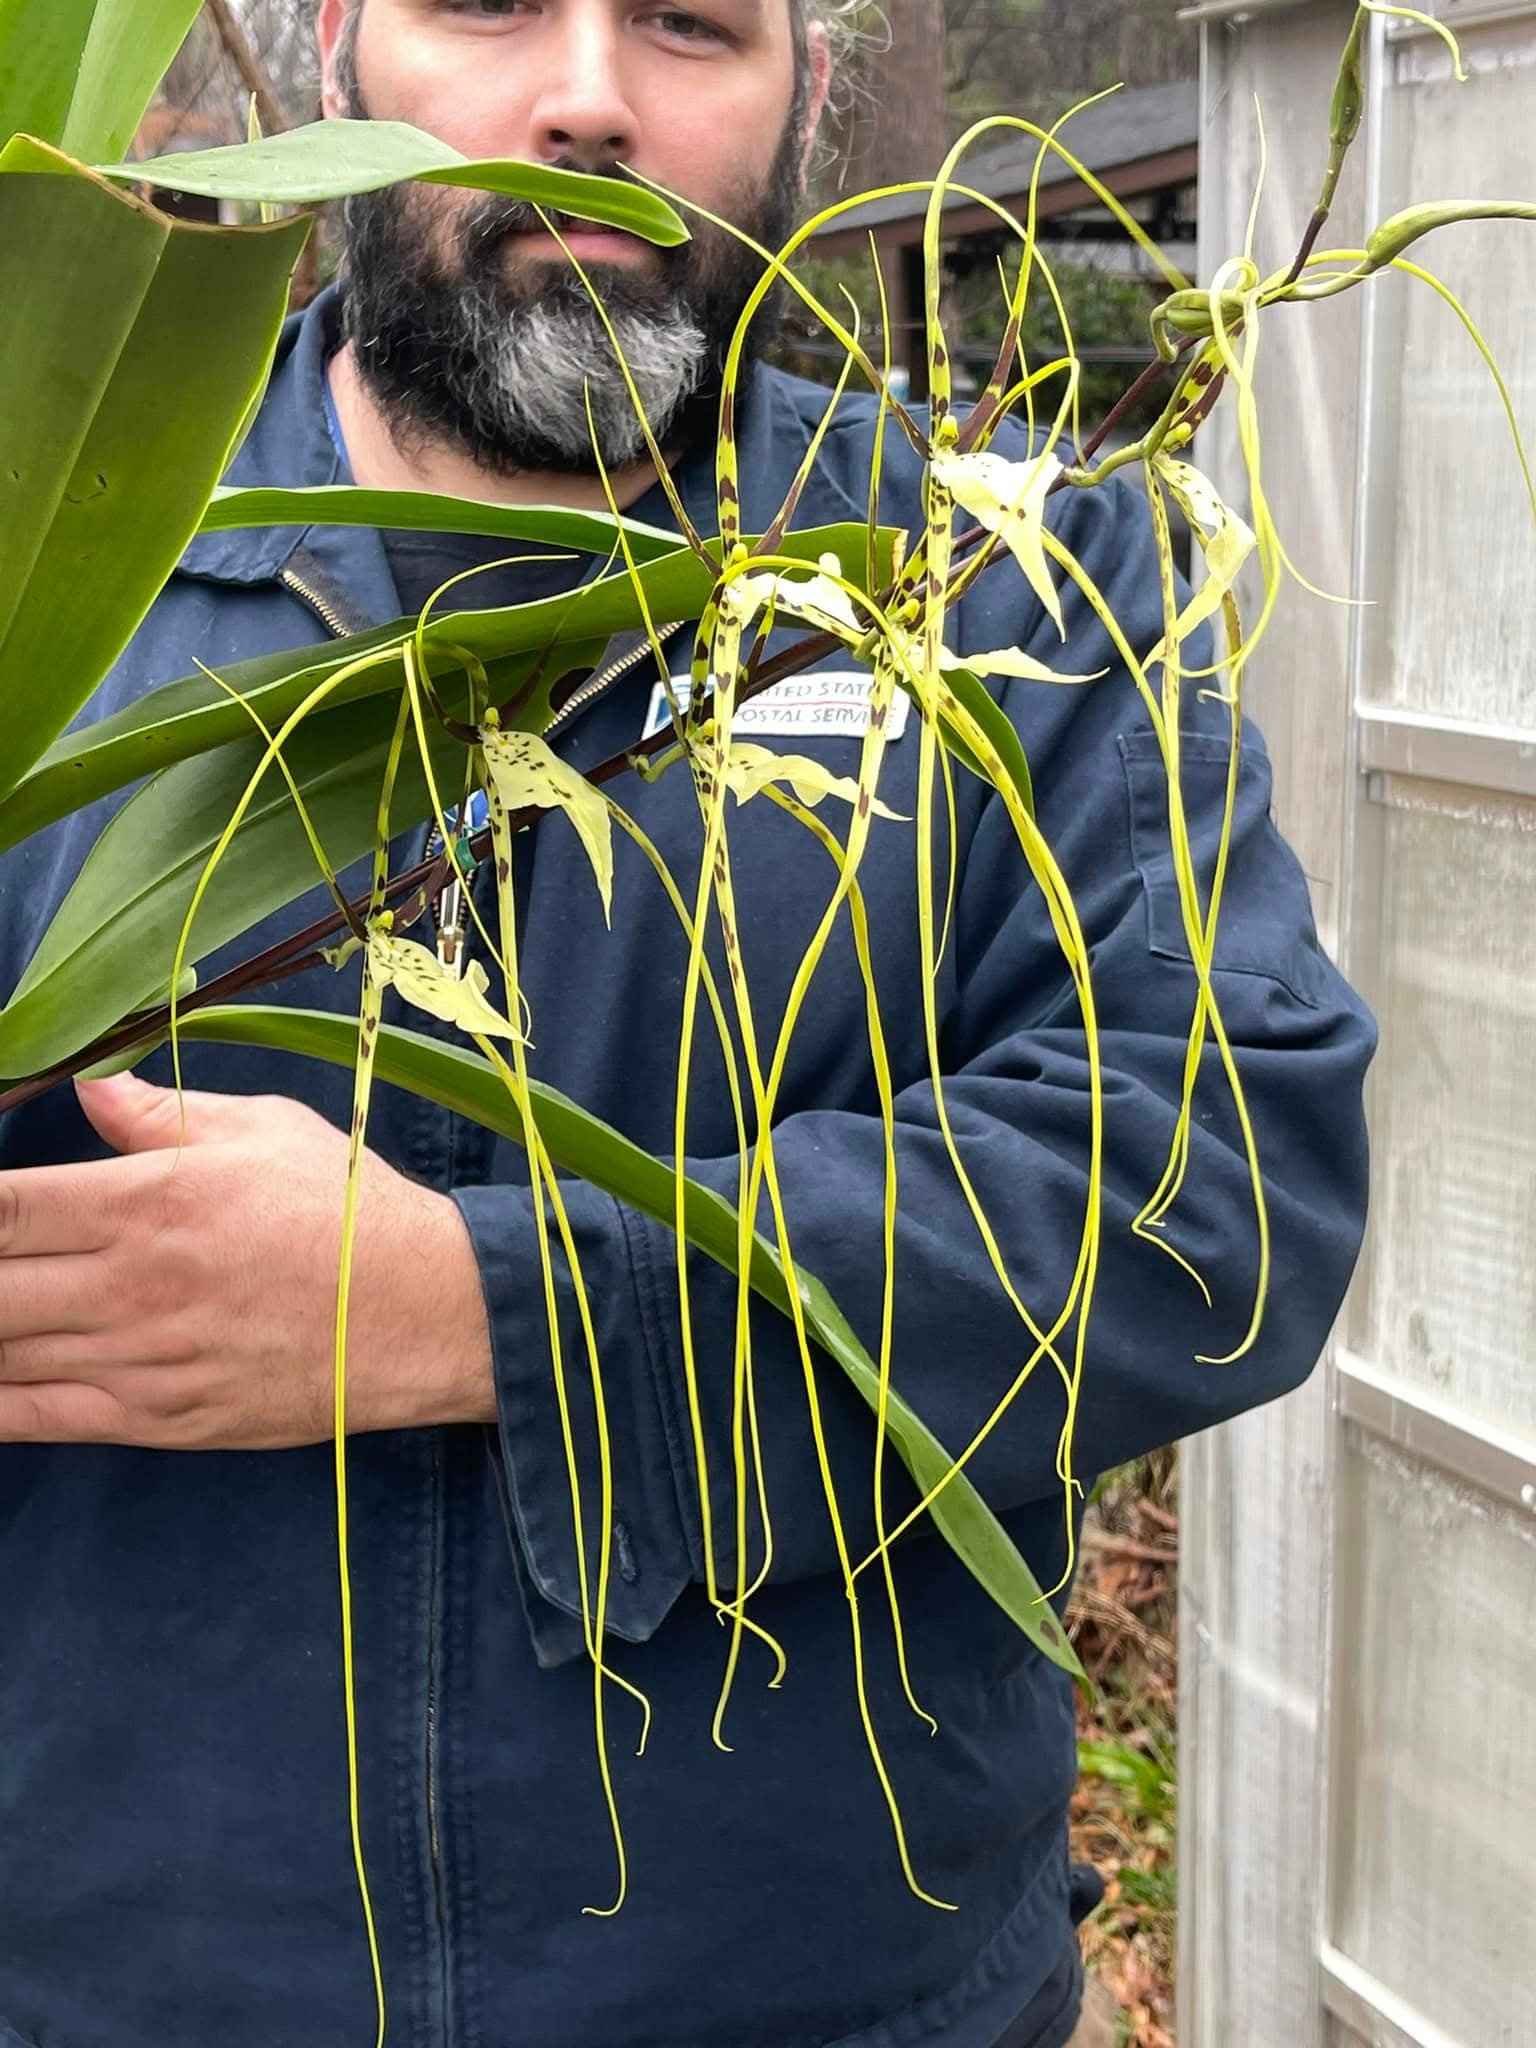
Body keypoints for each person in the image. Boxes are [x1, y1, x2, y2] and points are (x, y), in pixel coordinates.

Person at [0, 2, 1374, 2044]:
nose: (588, 97)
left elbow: (1221, 1162)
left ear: (809, 93)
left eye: (693, 26)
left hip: (832, 1994)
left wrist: (472, 1305)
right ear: (330, 60)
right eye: (484, 3)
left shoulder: (1008, 594)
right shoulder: (63, 581)